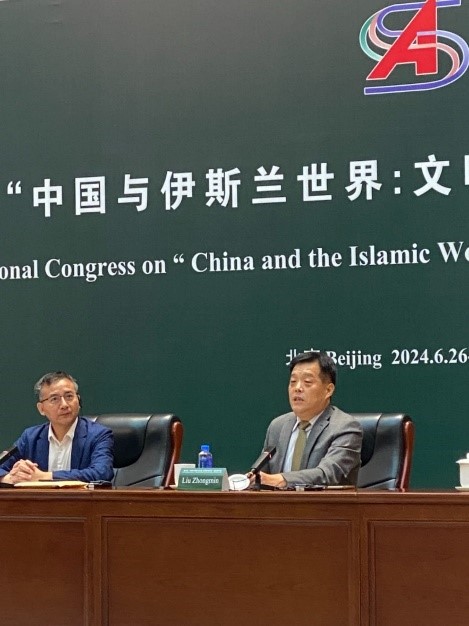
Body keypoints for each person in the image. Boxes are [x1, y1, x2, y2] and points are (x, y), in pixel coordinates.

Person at [253, 351, 362, 488]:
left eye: (307, 382)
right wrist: (250, 481)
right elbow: (262, 479)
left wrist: (281, 480)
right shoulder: (278, 426)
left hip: (323, 502)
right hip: (278, 502)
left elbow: (327, 474)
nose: (297, 388)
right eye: (293, 382)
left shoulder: (345, 427)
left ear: (328, 390)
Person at [0, 371, 114, 484]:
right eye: (54, 399)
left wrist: (44, 476)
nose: (64, 405)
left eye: (69, 396)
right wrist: (11, 478)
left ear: (78, 401)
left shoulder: (98, 434)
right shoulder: (30, 437)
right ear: (41, 409)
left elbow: (102, 472)